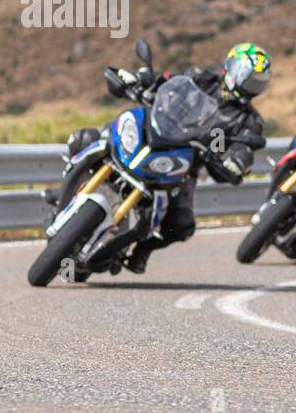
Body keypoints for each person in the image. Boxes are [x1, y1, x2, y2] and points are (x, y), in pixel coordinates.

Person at [59, 42, 271, 274]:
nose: (249, 85)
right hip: (155, 130)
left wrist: (236, 160)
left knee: (181, 225)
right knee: (85, 138)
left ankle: (141, 250)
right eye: (247, 77)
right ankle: (64, 193)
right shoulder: (200, 77)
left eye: (256, 82)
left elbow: (242, 147)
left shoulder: (247, 121)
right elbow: (166, 81)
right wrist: (137, 78)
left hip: (185, 161)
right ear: (231, 66)